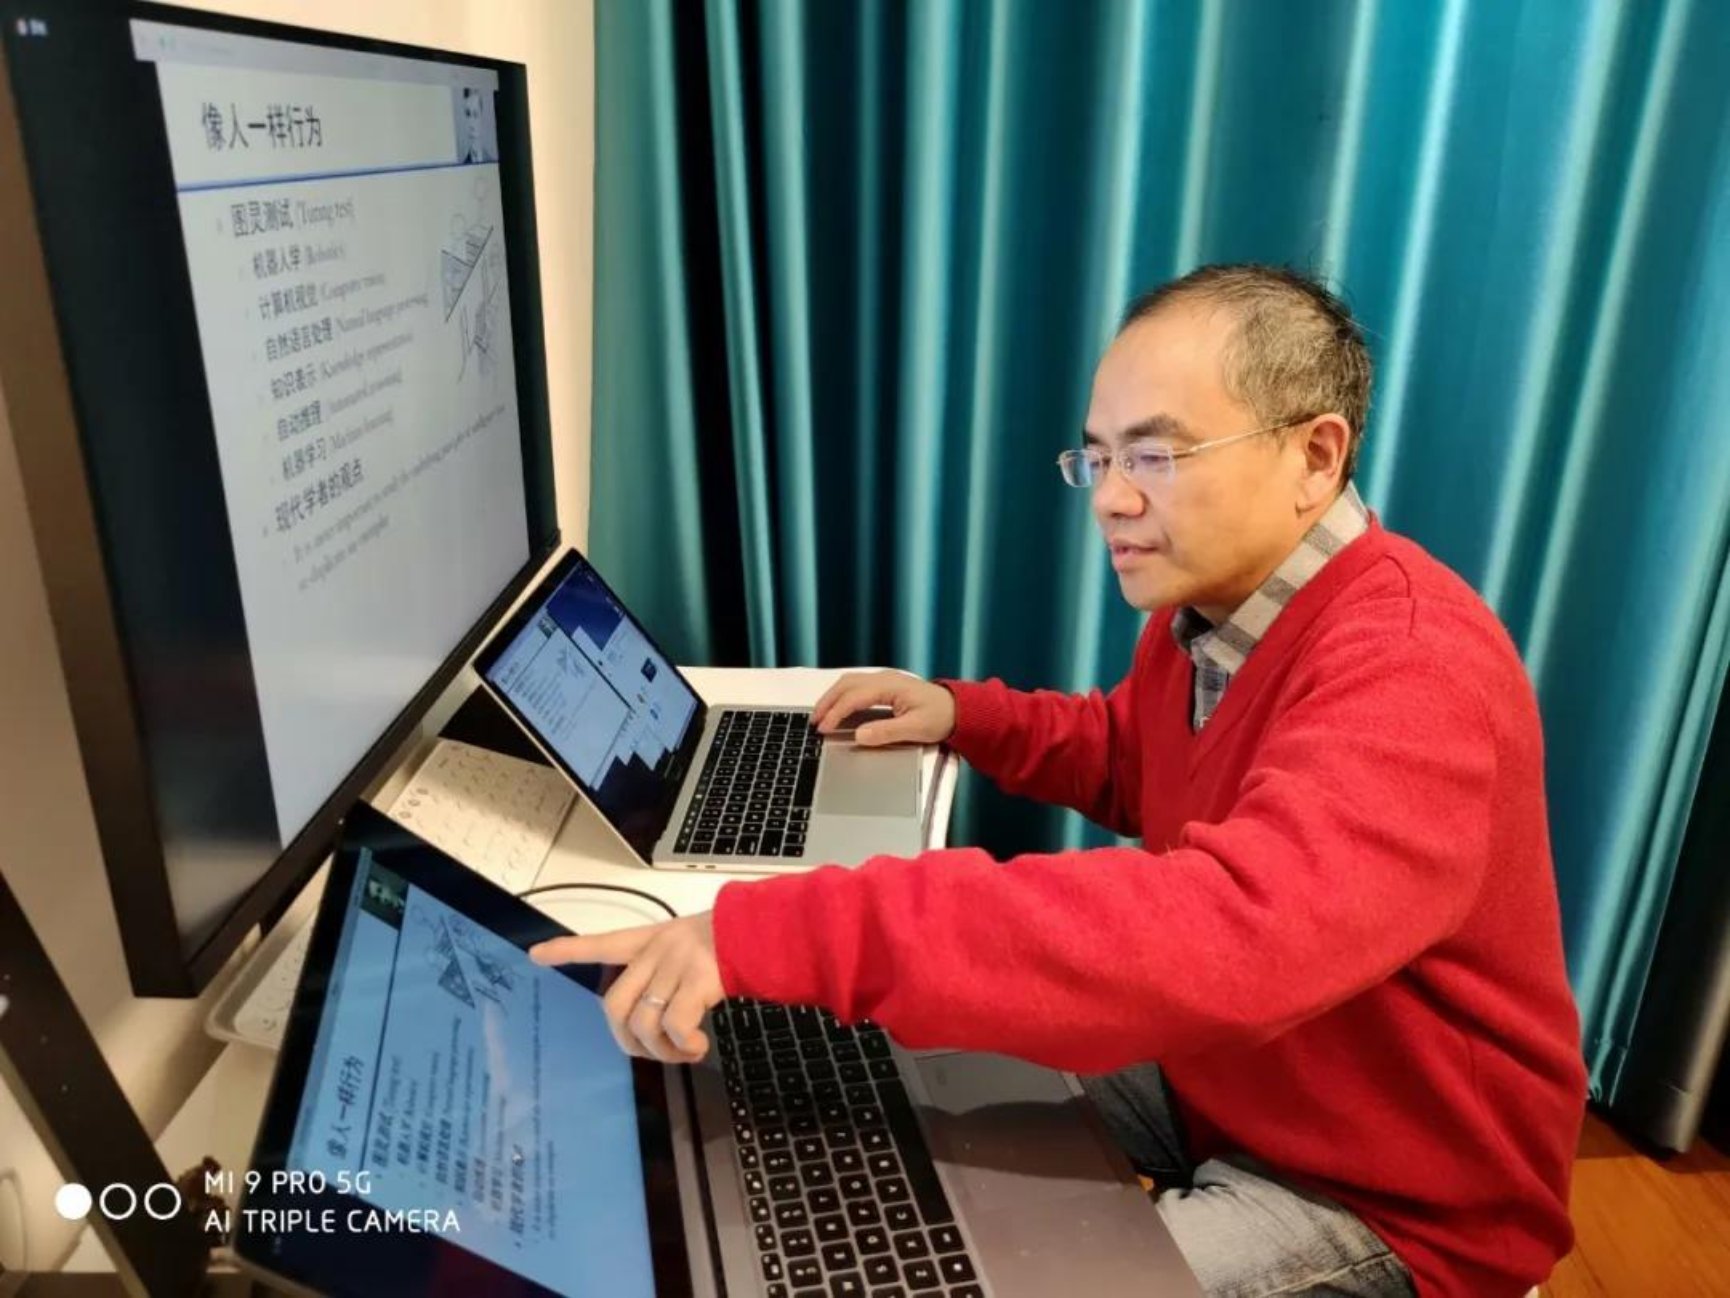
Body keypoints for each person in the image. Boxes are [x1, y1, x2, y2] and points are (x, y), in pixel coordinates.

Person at [530, 264, 1588, 1297]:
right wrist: (969, 716)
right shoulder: (1213, 614)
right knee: (865, 1085)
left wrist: (775, 929)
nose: (1112, 500)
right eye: (1099, 458)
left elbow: (1228, 934)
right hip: (1231, 1072)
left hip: (1387, 1192)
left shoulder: (1412, 665)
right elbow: (1135, 756)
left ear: (1314, 456)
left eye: (1156, 455)